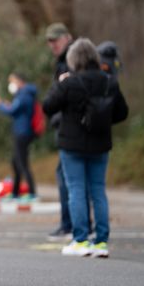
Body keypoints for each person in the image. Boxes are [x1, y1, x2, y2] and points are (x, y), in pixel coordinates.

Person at [43, 38, 128, 258]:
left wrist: (60, 82)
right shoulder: (109, 82)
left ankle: (80, 240)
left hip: (72, 145)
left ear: (73, 59)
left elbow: (48, 105)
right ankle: (101, 242)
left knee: (76, 190)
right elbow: (122, 113)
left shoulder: (70, 82)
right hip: (101, 144)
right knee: (98, 190)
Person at [44, 22, 92, 241]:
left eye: (56, 39)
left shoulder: (73, 60)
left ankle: (72, 226)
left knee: (69, 179)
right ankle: (78, 225)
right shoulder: (64, 60)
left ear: (67, 37)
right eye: (50, 41)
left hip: (72, 128)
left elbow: (69, 96)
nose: (52, 44)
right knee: (80, 180)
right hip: (70, 126)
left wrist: (56, 115)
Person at [0, 73, 38, 202]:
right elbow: (16, 110)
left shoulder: (24, 94)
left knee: (22, 163)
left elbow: (11, 111)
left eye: (12, 81)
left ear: (20, 81)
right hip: (20, 132)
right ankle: (15, 193)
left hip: (23, 133)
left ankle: (32, 193)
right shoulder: (23, 94)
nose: (11, 84)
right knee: (16, 163)